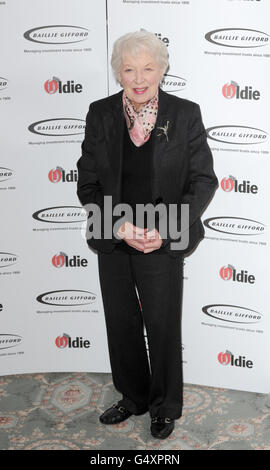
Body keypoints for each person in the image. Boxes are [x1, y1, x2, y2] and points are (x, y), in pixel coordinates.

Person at [76, 30, 218, 439]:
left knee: (162, 324)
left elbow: (203, 181)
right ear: (118, 73)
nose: (139, 78)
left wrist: (167, 229)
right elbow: (88, 184)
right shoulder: (100, 114)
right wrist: (119, 223)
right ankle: (133, 398)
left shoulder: (185, 113)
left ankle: (164, 406)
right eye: (129, 69)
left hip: (163, 236)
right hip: (113, 231)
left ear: (162, 69)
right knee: (121, 324)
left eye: (148, 68)